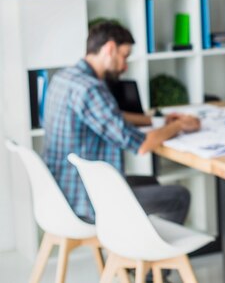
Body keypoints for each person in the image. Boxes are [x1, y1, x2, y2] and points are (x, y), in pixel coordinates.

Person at [43, 21, 201, 225]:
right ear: (110, 49)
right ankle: (152, 253)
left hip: (62, 188)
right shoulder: (91, 89)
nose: (125, 66)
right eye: (124, 56)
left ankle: (137, 246)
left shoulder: (64, 78)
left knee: (151, 182)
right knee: (179, 196)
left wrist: (154, 120)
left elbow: (112, 116)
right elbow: (142, 145)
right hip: (87, 198)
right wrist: (179, 126)